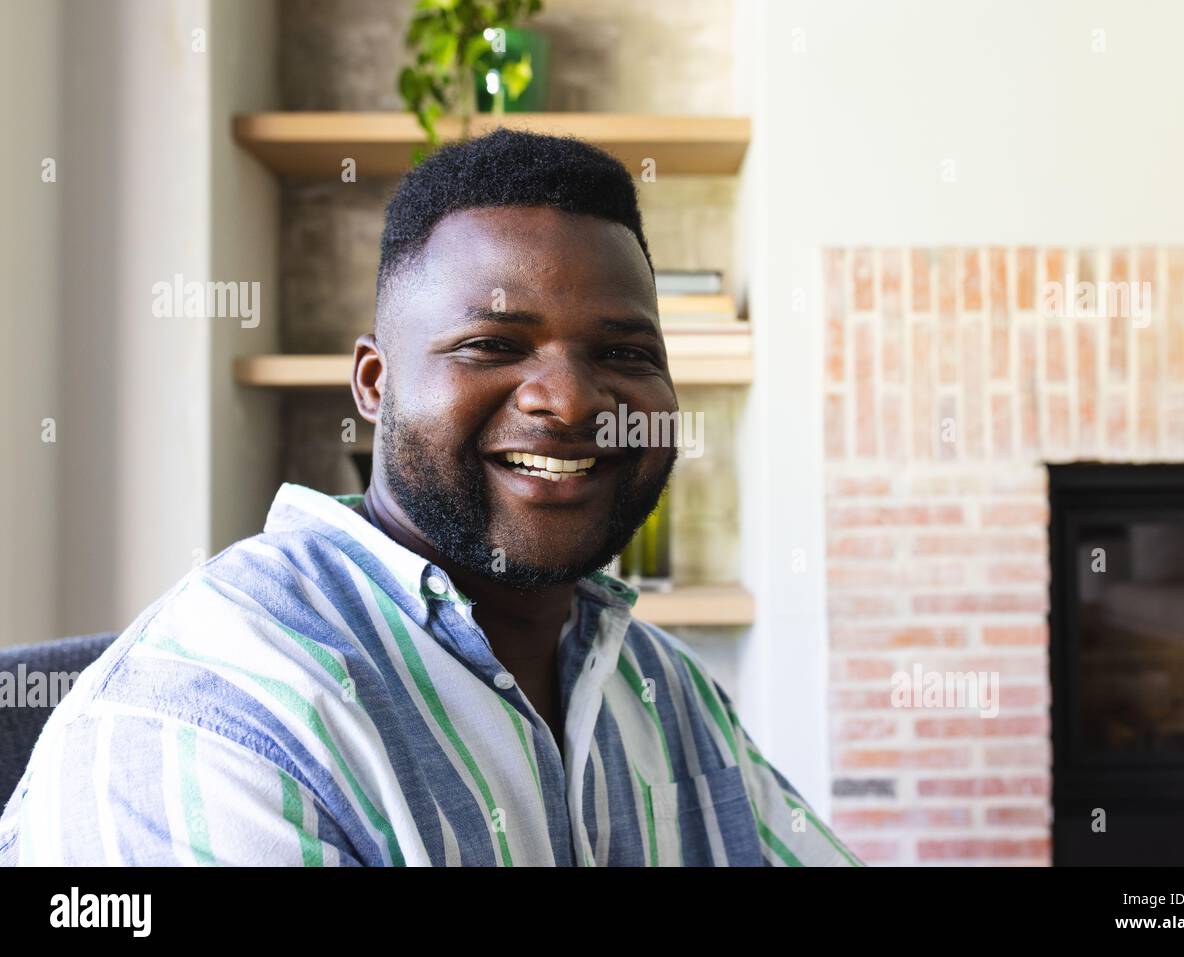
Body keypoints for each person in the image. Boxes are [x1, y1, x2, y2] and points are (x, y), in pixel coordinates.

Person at [0, 129, 861, 867]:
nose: (568, 400)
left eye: (627, 354)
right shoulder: (215, 714)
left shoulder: (663, 688)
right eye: (492, 343)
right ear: (374, 384)